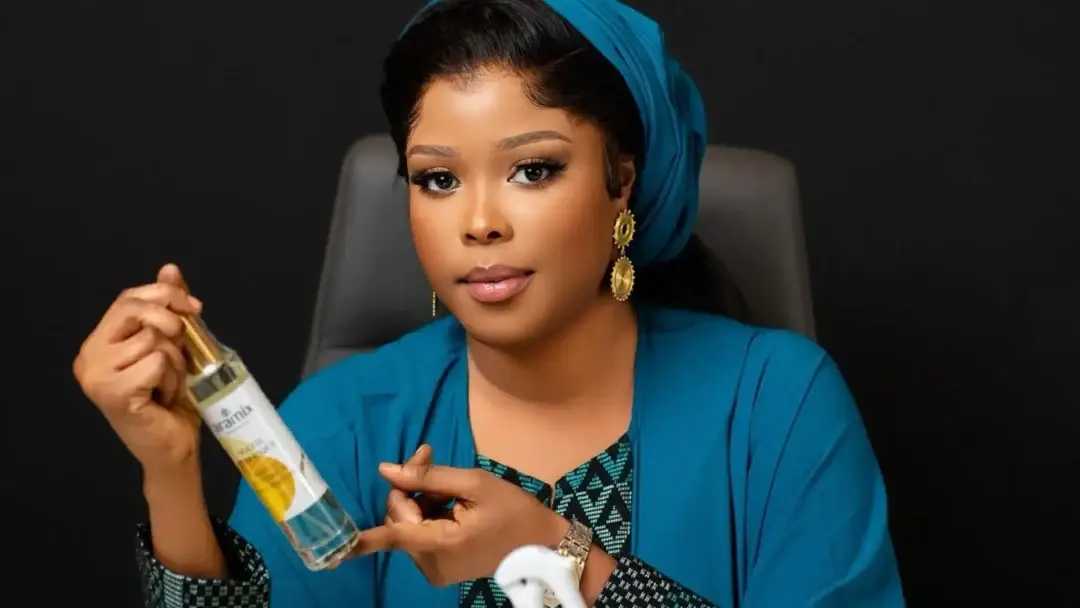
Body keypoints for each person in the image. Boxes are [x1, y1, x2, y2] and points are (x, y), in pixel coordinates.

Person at [73, 0, 906, 606]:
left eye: (533, 169)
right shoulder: (342, 421)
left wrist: (555, 550)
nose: (478, 222)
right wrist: (171, 476)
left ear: (623, 180)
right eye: (438, 179)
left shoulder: (778, 403)